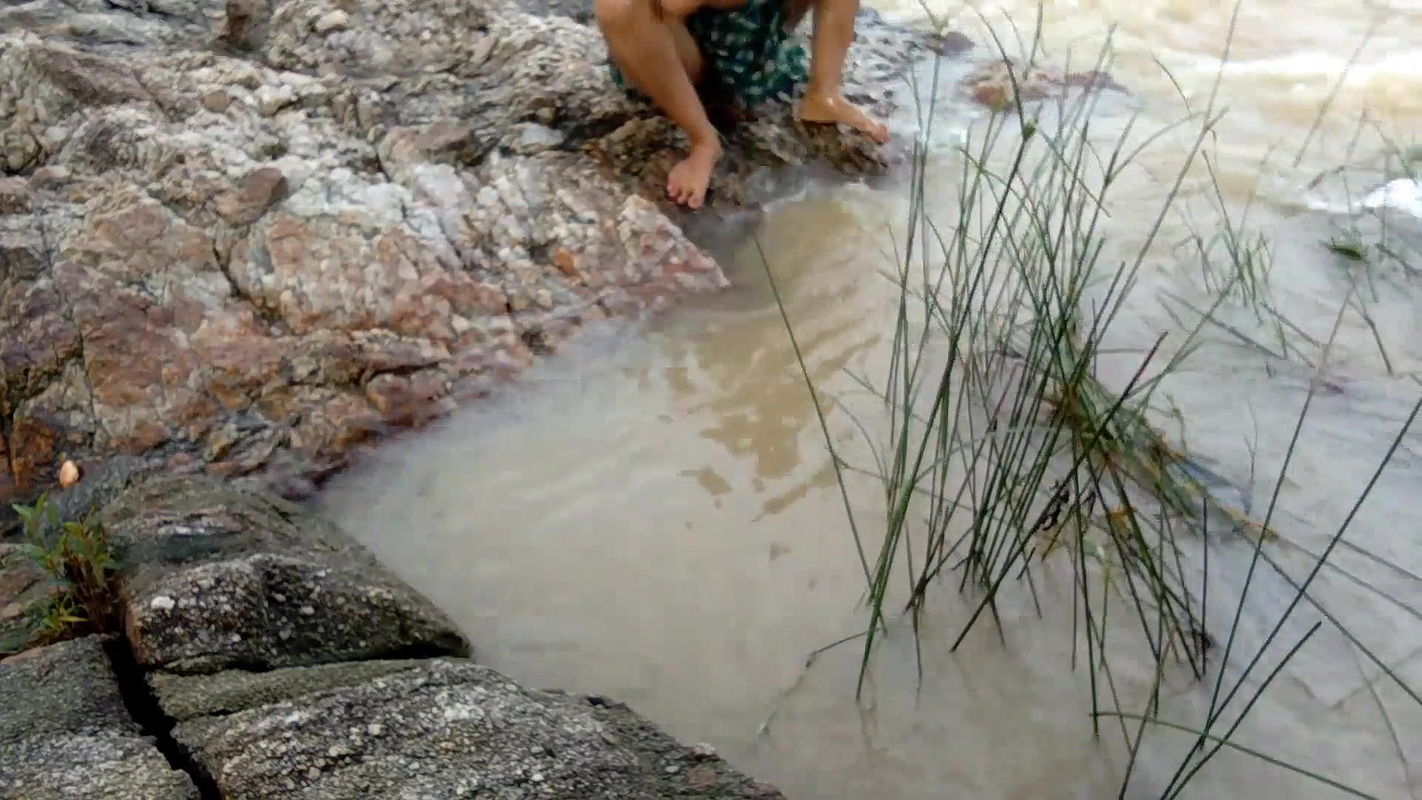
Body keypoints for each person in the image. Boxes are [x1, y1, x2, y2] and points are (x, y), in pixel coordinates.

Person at [595, 0, 889, 210]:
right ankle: (703, 140)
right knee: (617, 5)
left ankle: (824, 93)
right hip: (674, 55)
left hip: (753, 47)